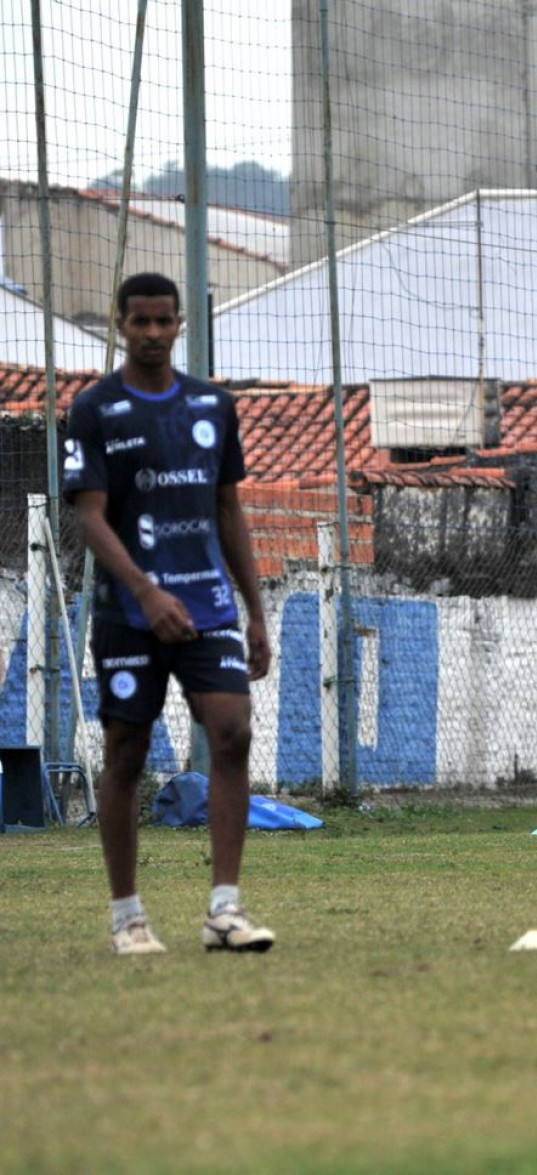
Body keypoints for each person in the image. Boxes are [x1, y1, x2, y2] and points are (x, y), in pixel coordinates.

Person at [63, 272, 274, 955]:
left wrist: (256, 611)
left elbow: (228, 508)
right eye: (140, 321)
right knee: (127, 751)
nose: (153, 333)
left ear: (181, 324)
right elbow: (90, 518)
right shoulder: (94, 409)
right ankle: (128, 915)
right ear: (119, 324)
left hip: (207, 604)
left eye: (164, 321)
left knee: (232, 730)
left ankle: (225, 911)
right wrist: (147, 592)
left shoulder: (213, 405)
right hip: (128, 611)